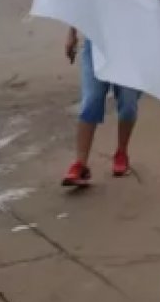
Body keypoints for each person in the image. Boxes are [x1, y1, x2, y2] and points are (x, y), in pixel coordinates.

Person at [61, 27, 142, 186]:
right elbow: (82, 1)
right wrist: (72, 32)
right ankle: (81, 163)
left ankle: (121, 152)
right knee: (91, 100)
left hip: (132, 45)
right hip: (97, 42)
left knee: (128, 104)